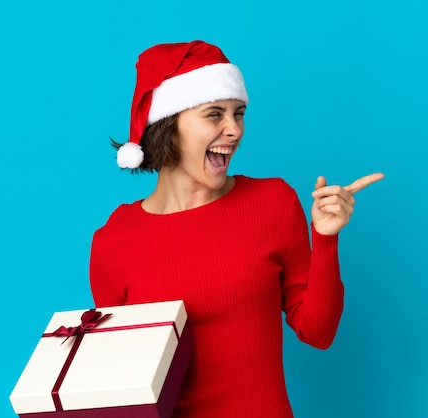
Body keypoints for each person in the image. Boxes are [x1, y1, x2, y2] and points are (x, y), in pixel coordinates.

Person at [89, 40, 383, 417]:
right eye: (214, 114)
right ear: (168, 126)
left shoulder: (271, 202)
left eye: (239, 113)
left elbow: (318, 332)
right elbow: (120, 380)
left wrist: (325, 238)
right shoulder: (114, 239)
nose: (234, 130)